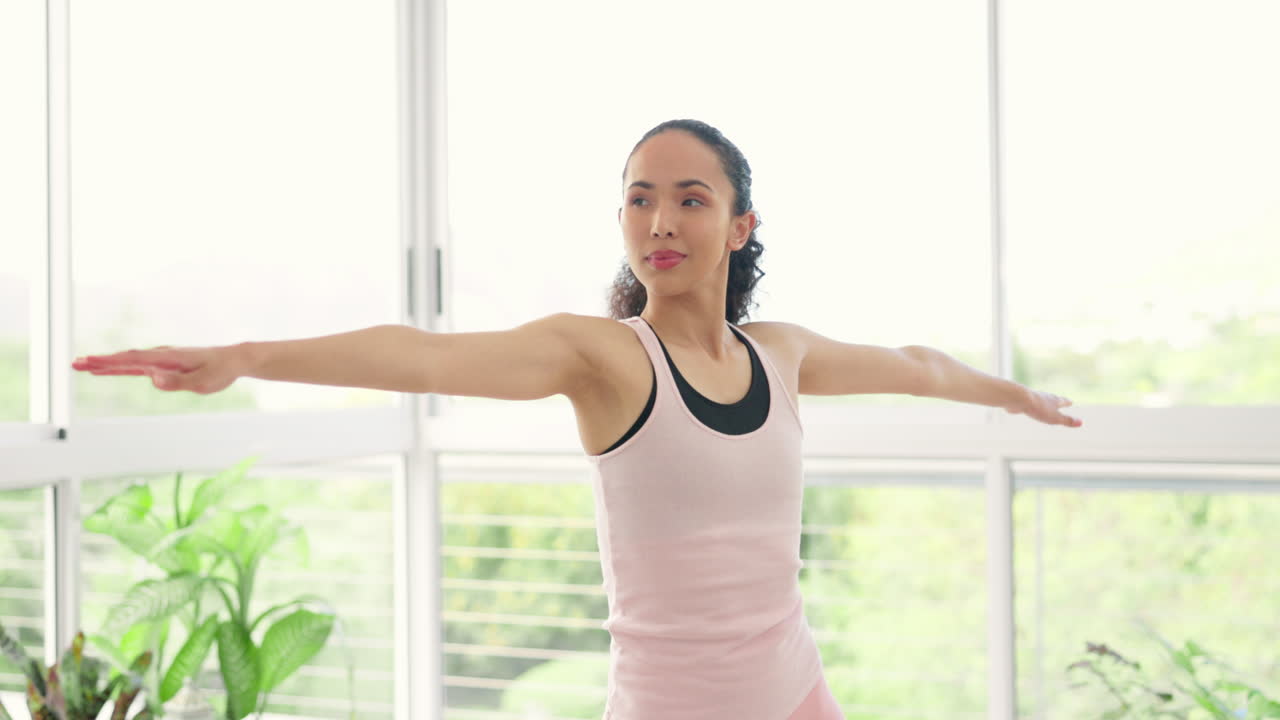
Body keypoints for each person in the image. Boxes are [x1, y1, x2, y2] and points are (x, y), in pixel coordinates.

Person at [73, 118, 1082, 719]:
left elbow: (915, 367)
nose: (659, 222)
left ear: (738, 225)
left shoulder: (780, 354)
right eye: (640, 199)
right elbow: (417, 353)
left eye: (690, 200)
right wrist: (245, 358)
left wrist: (1019, 399)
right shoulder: (603, 358)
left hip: (795, 694)